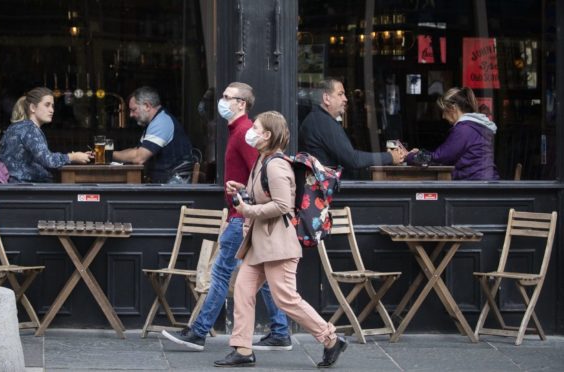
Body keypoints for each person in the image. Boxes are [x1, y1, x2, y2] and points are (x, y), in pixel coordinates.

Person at [162, 82, 292, 351]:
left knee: (220, 272)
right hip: (244, 214)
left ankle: (198, 332)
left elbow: (260, 173)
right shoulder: (238, 132)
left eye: (226, 97)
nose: (221, 101)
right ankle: (280, 331)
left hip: (241, 215)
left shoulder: (245, 132)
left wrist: (244, 208)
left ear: (241, 104)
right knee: (263, 276)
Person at [214, 111, 347, 368]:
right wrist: (242, 190)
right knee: (243, 290)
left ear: (267, 135)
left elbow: (283, 205)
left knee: (285, 298)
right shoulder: (262, 160)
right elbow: (264, 195)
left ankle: (330, 338)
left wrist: (247, 211)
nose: (251, 131)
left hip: (277, 244)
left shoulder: (275, 165)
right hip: (260, 243)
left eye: (256, 127)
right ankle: (242, 349)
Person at [299, 78, 406, 172]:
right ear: (327, 98)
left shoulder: (318, 119)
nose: (345, 99)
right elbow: (353, 159)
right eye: (340, 94)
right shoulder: (323, 122)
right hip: (326, 192)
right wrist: (390, 157)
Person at [0, 87, 91, 183]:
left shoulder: (18, 127)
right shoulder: (29, 129)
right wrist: (72, 157)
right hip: (22, 189)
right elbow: (48, 160)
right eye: (47, 105)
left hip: (13, 187)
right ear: (33, 108)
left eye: (52, 106)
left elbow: (34, 161)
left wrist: (74, 156)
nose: (51, 110)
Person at [406, 87, 499, 180]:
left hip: (475, 186)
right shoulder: (474, 126)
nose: (443, 116)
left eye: (444, 111)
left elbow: (440, 158)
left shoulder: (464, 129)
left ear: (453, 108)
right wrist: (419, 154)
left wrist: (410, 156)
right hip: (484, 184)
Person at [113, 86, 193, 183]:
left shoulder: (161, 122)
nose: (131, 115)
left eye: (133, 110)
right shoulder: (156, 121)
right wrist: (110, 154)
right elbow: (136, 151)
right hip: (165, 184)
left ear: (147, 106)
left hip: (172, 187)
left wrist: (108, 155)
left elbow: (139, 157)